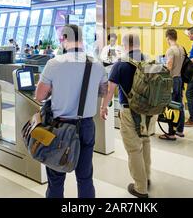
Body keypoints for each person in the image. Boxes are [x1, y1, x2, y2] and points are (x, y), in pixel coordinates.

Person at [35, 24, 107, 198]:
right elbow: (104, 91)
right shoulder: (96, 64)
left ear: (64, 39)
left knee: (56, 178)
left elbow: (39, 96)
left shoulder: (53, 64)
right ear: (82, 40)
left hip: (59, 127)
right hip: (86, 125)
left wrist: (56, 89)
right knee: (84, 177)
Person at [100, 33, 155, 198]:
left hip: (129, 111)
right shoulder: (148, 60)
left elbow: (110, 89)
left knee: (133, 149)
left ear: (124, 45)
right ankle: (147, 177)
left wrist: (104, 107)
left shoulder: (121, 64)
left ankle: (140, 187)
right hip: (148, 111)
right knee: (145, 142)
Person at [159, 29, 185, 140]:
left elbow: (169, 67)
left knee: (171, 106)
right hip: (179, 79)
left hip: (172, 80)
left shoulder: (170, 50)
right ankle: (179, 129)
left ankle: (171, 133)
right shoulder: (181, 49)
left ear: (168, 38)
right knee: (179, 105)